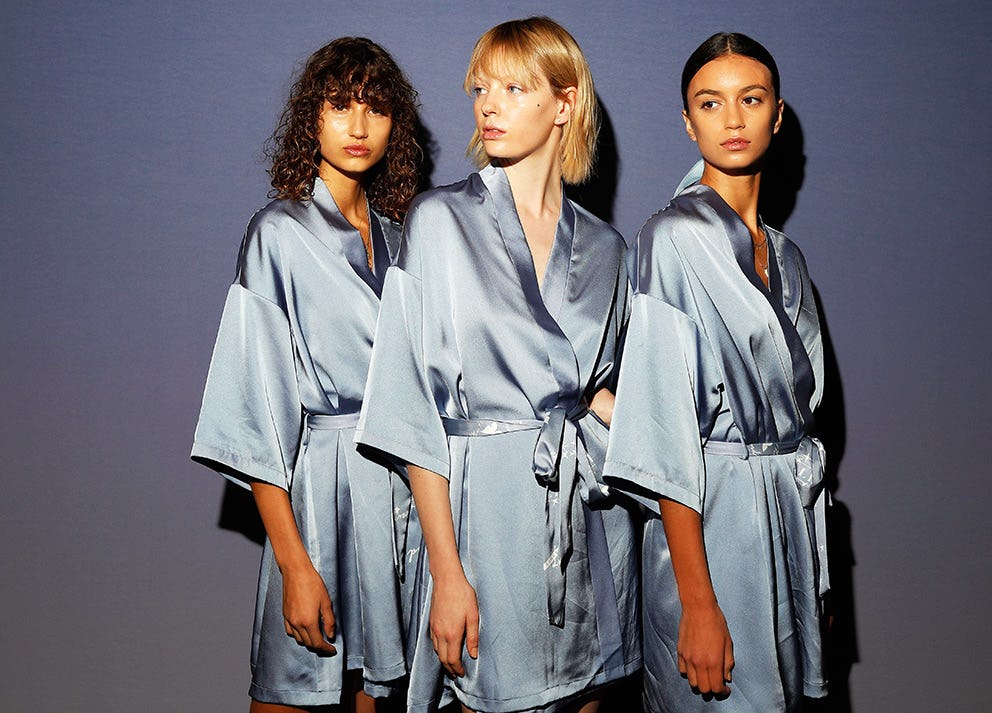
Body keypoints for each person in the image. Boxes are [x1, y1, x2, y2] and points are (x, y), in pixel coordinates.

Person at [354, 17, 639, 713]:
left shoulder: (607, 248)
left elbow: (591, 387)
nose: (489, 104)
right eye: (483, 87)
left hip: (587, 523)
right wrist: (448, 574)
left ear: (565, 104)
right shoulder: (440, 222)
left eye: (515, 87)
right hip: (480, 520)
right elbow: (411, 409)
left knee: (587, 694)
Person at [190, 37, 424, 712]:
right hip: (316, 499)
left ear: (395, 128)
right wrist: (295, 562)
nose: (358, 125)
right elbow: (253, 416)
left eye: (376, 109)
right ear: (310, 117)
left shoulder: (405, 241)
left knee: (381, 696)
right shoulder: (276, 234)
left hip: (400, 502)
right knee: (292, 690)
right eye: (340, 104)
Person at [603, 32, 829, 712]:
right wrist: (698, 603)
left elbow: (805, 418)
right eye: (711, 102)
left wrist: (812, 575)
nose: (732, 120)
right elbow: (666, 436)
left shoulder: (787, 258)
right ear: (688, 120)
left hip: (784, 522)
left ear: (777, 114)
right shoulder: (670, 238)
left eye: (750, 99)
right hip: (708, 528)